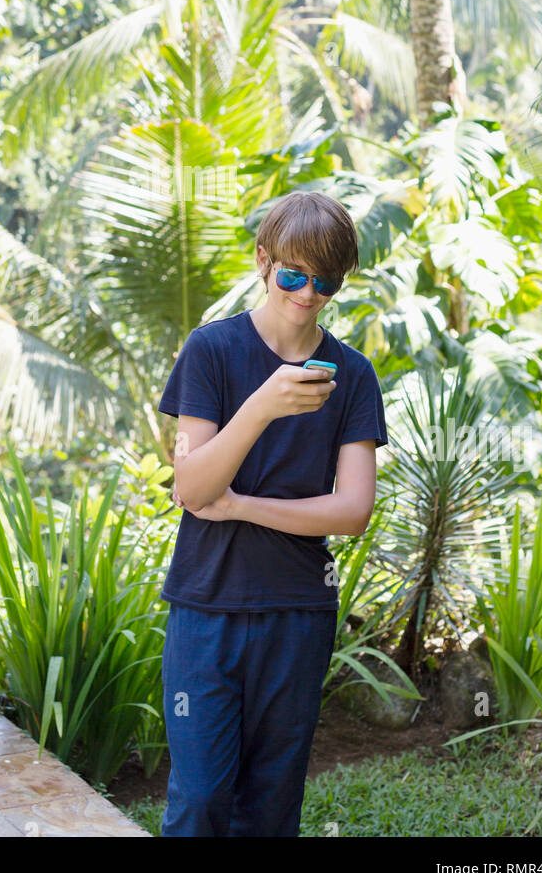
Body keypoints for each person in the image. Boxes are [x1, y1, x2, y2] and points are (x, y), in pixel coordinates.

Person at [157, 189, 388, 837]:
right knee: (201, 799)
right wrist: (262, 404)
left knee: (272, 806)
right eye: (293, 274)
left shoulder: (353, 375)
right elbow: (193, 486)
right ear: (263, 260)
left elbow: (352, 511)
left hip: (298, 611)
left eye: (326, 281)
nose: (308, 293)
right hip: (207, 607)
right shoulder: (212, 350)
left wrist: (241, 506)